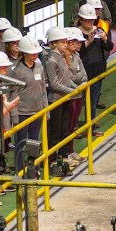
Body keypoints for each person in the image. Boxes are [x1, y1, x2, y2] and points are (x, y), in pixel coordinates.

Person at [44, 26, 79, 165]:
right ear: (53, 44)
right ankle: (52, 160)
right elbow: (54, 84)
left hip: (65, 99)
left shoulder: (62, 57)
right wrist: (71, 91)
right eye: (62, 42)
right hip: (56, 101)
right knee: (55, 131)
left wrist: (76, 88)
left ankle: (64, 158)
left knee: (65, 129)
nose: (65, 44)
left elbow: (66, 78)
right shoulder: (51, 61)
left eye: (65, 41)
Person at [10, 36, 46, 173]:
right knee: (21, 142)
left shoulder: (39, 67)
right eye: (32, 52)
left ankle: (33, 168)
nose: (35, 54)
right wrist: (14, 116)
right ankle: (20, 169)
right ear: (24, 53)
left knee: (34, 141)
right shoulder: (17, 71)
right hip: (22, 113)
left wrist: (45, 109)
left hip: (37, 111)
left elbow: (43, 88)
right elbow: (13, 93)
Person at [76, 3, 113, 135]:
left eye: (91, 20)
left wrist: (105, 39)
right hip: (80, 74)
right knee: (77, 103)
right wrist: (87, 42)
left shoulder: (98, 30)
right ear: (80, 19)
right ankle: (75, 127)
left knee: (92, 101)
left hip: (96, 72)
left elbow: (109, 47)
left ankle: (91, 126)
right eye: (86, 20)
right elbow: (75, 53)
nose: (89, 22)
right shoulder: (76, 34)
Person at [66, 27, 88, 137]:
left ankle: (70, 150)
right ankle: (67, 151)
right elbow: (69, 78)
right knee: (68, 126)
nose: (78, 45)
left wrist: (78, 77)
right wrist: (79, 78)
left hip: (79, 95)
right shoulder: (63, 59)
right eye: (74, 42)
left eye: (79, 42)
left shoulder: (77, 56)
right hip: (70, 97)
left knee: (74, 125)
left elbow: (85, 76)